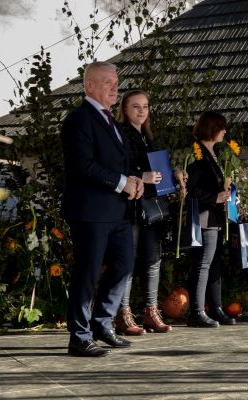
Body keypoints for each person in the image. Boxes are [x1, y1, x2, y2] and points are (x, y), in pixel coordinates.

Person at [61, 61, 144, 357]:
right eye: (107, 81)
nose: (114, 86)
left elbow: (118, 164)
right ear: (90, 86)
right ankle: (79, 336)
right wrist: (122, 182)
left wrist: (134, 179)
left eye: (116, 81)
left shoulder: (113, 123)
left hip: (117, 212)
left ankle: (101, 324)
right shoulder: (78, 119)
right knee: (87, 272)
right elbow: (82, 165)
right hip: (90, 212)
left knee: (124, 265)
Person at [113, 90, 171, 335]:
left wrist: (173, 175)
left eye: (145, 106)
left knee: (153, 260)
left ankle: (150, 310)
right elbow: (117, 168)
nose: (141, 111)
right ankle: (122, 314)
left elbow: (157, 171)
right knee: (128, 260)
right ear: (125, 110)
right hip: (131, 207)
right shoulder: (121, 134)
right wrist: (140, 175)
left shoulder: (147, 137)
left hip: (151, 207)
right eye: (136, 106)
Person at [185, 111, 235, 328]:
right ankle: (196, 311)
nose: (225, 131)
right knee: (203, 264)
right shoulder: (198, 158)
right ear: (212, 129)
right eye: (222, 127)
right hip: (204, 219)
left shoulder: (213, 154)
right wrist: (215, 196)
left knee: (214, 264)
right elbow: (191, 192)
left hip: (214, 217)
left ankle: (216, 308)